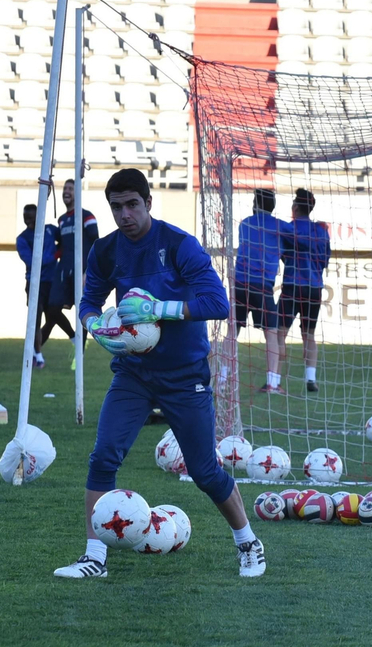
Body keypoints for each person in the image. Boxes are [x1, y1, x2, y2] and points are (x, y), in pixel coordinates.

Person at [53, 168, 265, 580]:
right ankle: (94, 558)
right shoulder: (106, 250)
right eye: (116, 207)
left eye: (133, 205)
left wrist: (158, 309)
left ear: (148, 203)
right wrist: (97, 327)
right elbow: (89, 301)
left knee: (204, 471)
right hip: (133, 374)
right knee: (103, 456)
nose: (125, 214)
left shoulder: (179, 244)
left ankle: (248, 542)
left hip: (185, 376)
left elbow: (217, 303)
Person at [235, 187, 288, 393]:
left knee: (232, 331)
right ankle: (272, 382)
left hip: (240, 283)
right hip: (262, 285)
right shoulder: (280, 227)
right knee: (271, 333)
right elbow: (297, 239)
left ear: (256, 204)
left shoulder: (245, 224)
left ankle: (222, 376)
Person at [280, 187, 331, 393]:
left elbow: (282, 254)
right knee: (309, 334)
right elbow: (325, 259)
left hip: (292, 285)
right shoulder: (321, 231)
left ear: (295, 207)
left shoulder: (288, 229)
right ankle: (311, 379)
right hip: (314, 287)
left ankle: (274, 379)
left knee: (279, 333)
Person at [18, 203, 74, 368]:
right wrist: (55, 255)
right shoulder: (22, 238)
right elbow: (32, 261)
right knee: (35, 319)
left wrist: (63, 249)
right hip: (35, 282)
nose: (28, 220)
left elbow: (65, 239)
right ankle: (38, 355)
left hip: (53, 281)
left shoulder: (50, 230)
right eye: (25, 216)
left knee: (53, 315)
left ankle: (74, 339)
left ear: (39, 216)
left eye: (31, 216)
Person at [54, 178, 99, 371]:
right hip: (64, 271)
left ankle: (79, 355)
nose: (67, 191)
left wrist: (89, 271)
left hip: (82, 272)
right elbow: (62, 246)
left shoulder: (87, 216)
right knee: (52, 307)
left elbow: (96, 243)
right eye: (65, 188)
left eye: (71, 188)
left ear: (77, 193)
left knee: (83, 312)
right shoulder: (61, 220)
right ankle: (74, 338)